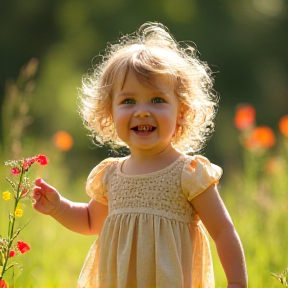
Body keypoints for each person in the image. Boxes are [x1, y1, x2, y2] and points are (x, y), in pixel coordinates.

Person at [32, 22, 247, 288]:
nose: (142, 111)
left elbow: (223, 231)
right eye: (128, 101)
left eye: (157, 100)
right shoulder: (111, 174)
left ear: (181, 111)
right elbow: (89, 221)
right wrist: (59, 207)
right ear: (110, 113)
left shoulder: (188, 173)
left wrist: (237, 282)